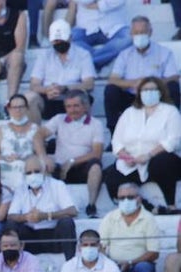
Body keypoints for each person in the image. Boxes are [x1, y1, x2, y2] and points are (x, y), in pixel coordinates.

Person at [104, 77, 181, 216]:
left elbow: (173, 140)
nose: (148, 93)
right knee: (112, 177)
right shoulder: (129, 113)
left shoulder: (170, 111)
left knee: (163, 162)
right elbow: (117, 141)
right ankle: (150, 208)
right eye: (145, 90)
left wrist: (149, 155)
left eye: (152, 90)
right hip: (132, 162)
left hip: (157, 159)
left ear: (160, 92)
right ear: (139, 93)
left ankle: (171, 204)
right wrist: (126, 157)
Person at [104, 17, 180, 135]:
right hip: (131, 95)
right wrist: (134, 83)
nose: (139, 36)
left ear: (150, 32)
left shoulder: (164, 52)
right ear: (131, 33)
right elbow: (113, 79)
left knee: (173, 87)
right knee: (111, 90)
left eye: (143, 32)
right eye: (136, 33)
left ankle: (172, 130)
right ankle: (114, 132)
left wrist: (150, 83)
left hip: (156, 94)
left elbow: (173, 76)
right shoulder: (124, 55)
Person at [44, 89, 104, 218]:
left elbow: (97, 153)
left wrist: (71, 162)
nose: (72, 110)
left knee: (95, 166)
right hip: (60, 168)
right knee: (43, 165)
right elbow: (38, 135)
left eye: (76, 105)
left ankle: (91, 205)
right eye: (68, 106)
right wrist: (43, 156)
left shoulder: (96, 124)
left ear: (85, 106)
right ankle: (48, 206)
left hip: (82, 167)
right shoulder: (59, 119)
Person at [6, 155, 77, 261]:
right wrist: (26, 217)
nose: (33, 175)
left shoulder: (57, 185)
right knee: (11, 225)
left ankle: (71, 264)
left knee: (67, 222)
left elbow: (72, 211)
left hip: (53, 236)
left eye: (36, 171)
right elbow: (11, 216)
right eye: (29, 173)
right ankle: (11, 264)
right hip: (29, 238)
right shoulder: (21, 189)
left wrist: (46, 216)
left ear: (44, 171)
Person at [24, 19, 95, 123]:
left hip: (72, 97)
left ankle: (84, 133)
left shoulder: (83, 55)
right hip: (48, 98)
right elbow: (34, 85)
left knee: (83, 95)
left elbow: (89, 84)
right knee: (29, 97)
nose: (59, 43)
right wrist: (47, 90)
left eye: (62, 40)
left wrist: (66, 88)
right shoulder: (44, 56)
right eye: (56, 41)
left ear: (70, 38)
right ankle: (37, 136)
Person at [98, 184, 159, 272]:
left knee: (143, 268)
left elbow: (154, 253)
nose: (126, 201)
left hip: (138, 266)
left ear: (139, 199)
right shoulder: (110, 218)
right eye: (121, 198)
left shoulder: (149, 219)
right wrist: (112, 264)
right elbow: (100, 246)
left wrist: (130, 263)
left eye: (130, 197)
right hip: (114, 266)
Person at [0, 93, 53, 191]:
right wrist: (5, 158)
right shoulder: (2, 128)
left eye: (21, 107)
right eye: (14, 107)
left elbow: (41, 154)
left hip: (27, 166)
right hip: (6, 165)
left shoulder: (35, 129)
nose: (18, 110)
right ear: (9, 109)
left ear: (27, 108)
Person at [68, 0, 129, 70]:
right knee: (67, 39)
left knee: (129, 37)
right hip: (85, 27)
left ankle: (90, 62)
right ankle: (100, 60)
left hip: (113, 26)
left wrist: (100, 5)